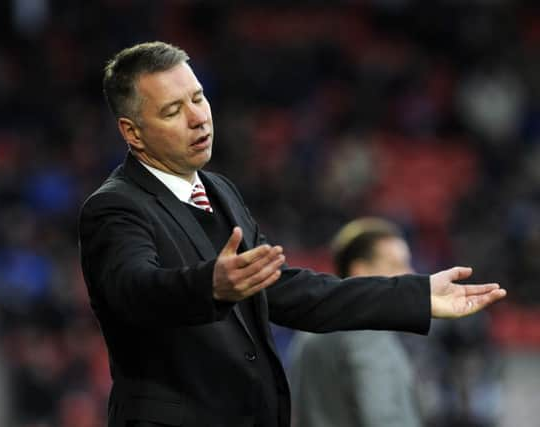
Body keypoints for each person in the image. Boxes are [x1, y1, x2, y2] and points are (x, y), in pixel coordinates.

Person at [77, 41, 506, 427]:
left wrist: (414, 296)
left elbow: (287, 291)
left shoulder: (219, 190)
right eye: (172, 111)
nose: (197, 118)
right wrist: (210, 285)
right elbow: (133, 289)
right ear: (132, 132)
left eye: (198, 97)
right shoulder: (115, 207)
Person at [288, 217, 422, 427]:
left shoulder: (311, 329)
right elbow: (384, 417)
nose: (411, 274)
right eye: (397, 264)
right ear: (361, 271)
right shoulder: (367, 332)